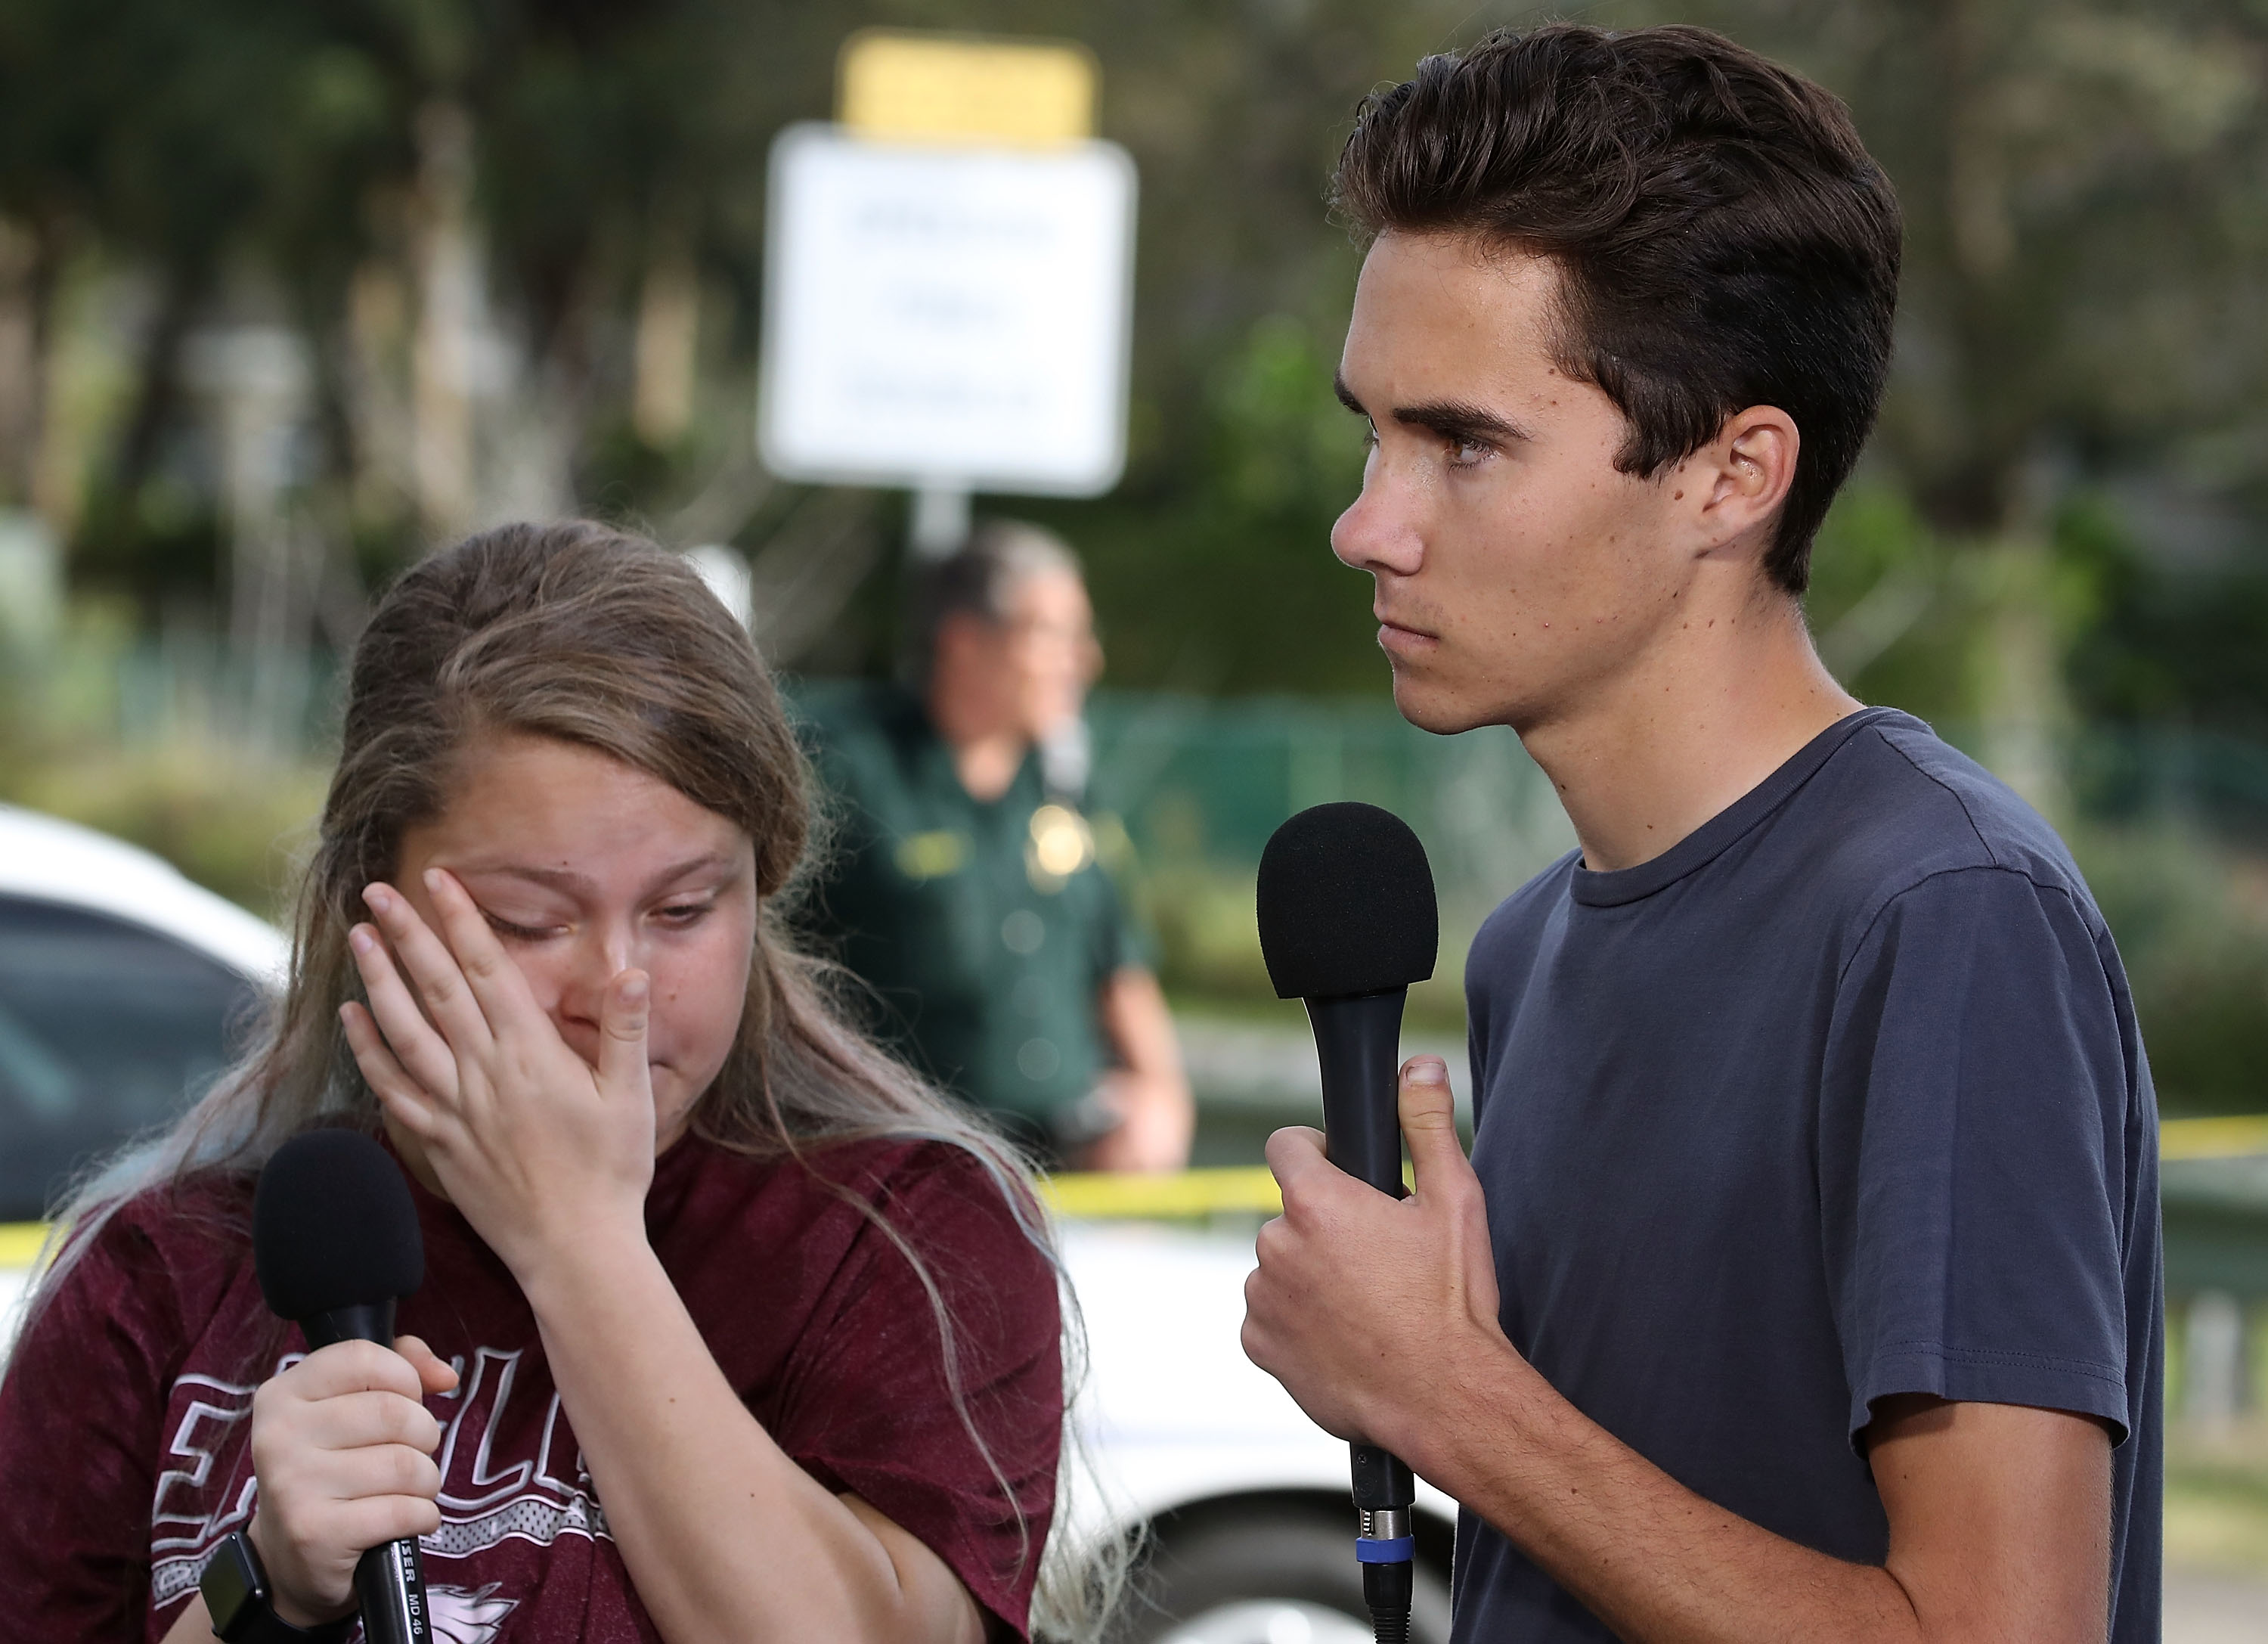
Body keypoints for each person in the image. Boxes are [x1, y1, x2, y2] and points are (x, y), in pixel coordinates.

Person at [1240, 24, 2160, 1644]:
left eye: (1463, 443)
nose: (1365, 523)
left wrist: (1456, 1402)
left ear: (1734, 475)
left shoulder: (1944, 914)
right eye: (1371, 433)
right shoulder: (1533, 946)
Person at [0, 523, 1067, 1643]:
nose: (619, 990)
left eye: (686, 908)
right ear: (371, 902)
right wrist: (259, 1586)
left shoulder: (900, 1233)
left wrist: (577, 1238)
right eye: (529, 921)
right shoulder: (162, 1270)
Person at [801, 520, 1194, 1173]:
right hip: (897, 1164)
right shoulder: (846, 768)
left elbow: (1119, 963)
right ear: (963, 641)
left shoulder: (1062, 784)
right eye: (1054, 635)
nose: (1084, 659)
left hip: (1070, 1167)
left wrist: (1161, 1101)